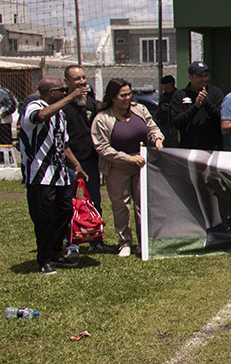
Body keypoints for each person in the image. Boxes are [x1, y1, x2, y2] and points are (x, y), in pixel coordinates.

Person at [20, 78, 89, 274]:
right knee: (44, 217)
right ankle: (43, 259)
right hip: (39, 174)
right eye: (62, 90)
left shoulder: (59, 113)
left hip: (59, 174)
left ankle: (55, 251)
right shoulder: (34, 105)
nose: (66, 92)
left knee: (65, 211)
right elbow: (38, 117)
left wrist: (76, 164)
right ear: (50, 92)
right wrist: (71, 97)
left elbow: (63, 143)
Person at [91, 78, 164, 258]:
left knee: (143, 204)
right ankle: (124, 242)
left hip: (142, 164)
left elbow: (152, 127)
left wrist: (157, 138)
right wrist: (126, 158)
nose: (127, 98)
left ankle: (143, 241)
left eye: (129, 94)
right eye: (122, 95)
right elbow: (102, 147)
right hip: (118, 167)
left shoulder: (140, 110)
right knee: (121, 206)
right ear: (113, 97)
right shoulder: (103, 118)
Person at [62, 65, 113, 254]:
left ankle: (96, 241)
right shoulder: (62, 106)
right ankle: (71, 243)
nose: (82, 82)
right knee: (70, 203)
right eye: (77, 79)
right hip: (69, 162)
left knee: (93, 201)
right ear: (67, 81)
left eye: (83, 78)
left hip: (90, 161)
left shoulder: (90, 103)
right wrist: (74, 163)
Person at [171, 62, 224, 150]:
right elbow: (177, 122)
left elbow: (221, 119)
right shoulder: (179, 95)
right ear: (190, 77)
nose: (204, 79)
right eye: (200, 76)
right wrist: (195, 107)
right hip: (189, 149)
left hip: (213, 149)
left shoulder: (215, 93)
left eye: (206, 75)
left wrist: (207, 103)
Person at [156, 74, 178, 147]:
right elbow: (158, 110)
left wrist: (170, 108)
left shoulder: (177, 95)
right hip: (163, 123)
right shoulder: (163, 96)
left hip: (173, 124)